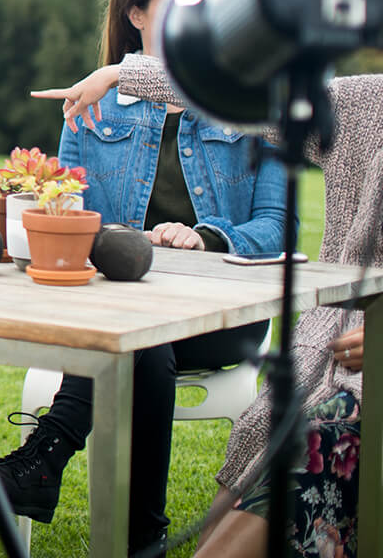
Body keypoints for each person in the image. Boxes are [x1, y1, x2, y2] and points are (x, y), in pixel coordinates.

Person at [0, 0, 288, 553]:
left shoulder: (246, 96)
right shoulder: (93, 100)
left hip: (221, 311)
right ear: (135, 15)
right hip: (119, 306)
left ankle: (43, 456)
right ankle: (142, 541)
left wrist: (207, 235)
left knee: (145, 341)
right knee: (143, 344)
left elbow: (278, 223)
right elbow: (73, 210)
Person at [50, 52, 380, 558]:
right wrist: (121, 74)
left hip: (357, 380)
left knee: (325, 433)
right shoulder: (366, 105)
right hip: (332, 342)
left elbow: (273, 226)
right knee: (261, 426)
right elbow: (243, 98)